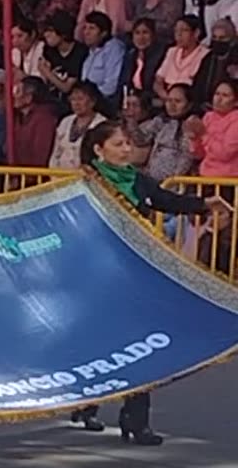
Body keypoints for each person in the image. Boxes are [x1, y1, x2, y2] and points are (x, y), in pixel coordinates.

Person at [72, 120, 231, 445]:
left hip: (135, 275)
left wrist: (204, 204)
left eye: (128, 144)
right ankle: (86, 401)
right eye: (118, 144)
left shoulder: (138, 181)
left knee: (139, 343)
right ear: (99, 150)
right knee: (103, 343)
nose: (126, 150)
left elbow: (165, 200)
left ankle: (137, 419)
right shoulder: (87, 184)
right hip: (99, 277)